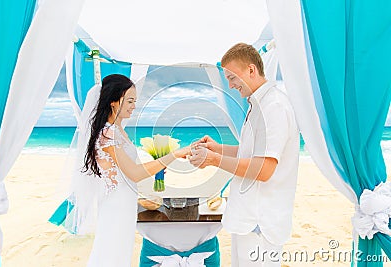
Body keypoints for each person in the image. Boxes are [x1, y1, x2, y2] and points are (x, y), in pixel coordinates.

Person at [190, 43, 299, 266]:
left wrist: (213, 160)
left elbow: (264, 169)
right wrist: (216, 148)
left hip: (260, 223)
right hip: (248, 219)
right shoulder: (258, 104)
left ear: (251, 70)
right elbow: (251, 153)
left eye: (231, 77)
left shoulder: (274, 107)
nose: (230, 86)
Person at [82, 74, 190, 267]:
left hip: (124, 202)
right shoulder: (109, 133)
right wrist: (173, 156)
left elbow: (129, 171)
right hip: (116, 205)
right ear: (114, 101)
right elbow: (134, 173)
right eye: (130, 100)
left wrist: (156, 168)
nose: (134, 106)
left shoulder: (117, 129)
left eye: (135, 101)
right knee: (111, 255)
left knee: (117, 254)